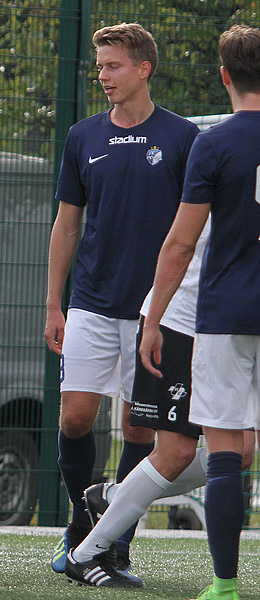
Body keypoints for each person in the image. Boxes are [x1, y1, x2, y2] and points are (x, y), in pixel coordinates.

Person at [43, 23, 199, 576]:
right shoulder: (82, 136)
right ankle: (82, 527)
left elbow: (194, 231)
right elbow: (66, 225)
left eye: (113, 66)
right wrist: (53, 304)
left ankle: (117, 543)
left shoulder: (183, 139)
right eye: (99, 66)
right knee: (76, 417)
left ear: (143, 69)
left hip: (156, 311)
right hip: (89, 300)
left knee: (138, 428)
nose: (102, 75)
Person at [138, 24, 260, 600]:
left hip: (226, 315)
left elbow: (181, 244)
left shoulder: (213, 142)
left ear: (224, 76)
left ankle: (226, 585)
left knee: (226, 452)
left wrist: (154, 317)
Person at [65, 222, 255, 587]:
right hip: (181, 324)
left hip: (232, 329)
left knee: (243, 452)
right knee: (176, 452)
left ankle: (115, 496)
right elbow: (177, 245)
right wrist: (152, 323)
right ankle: (85, 554)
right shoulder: (220, 166)